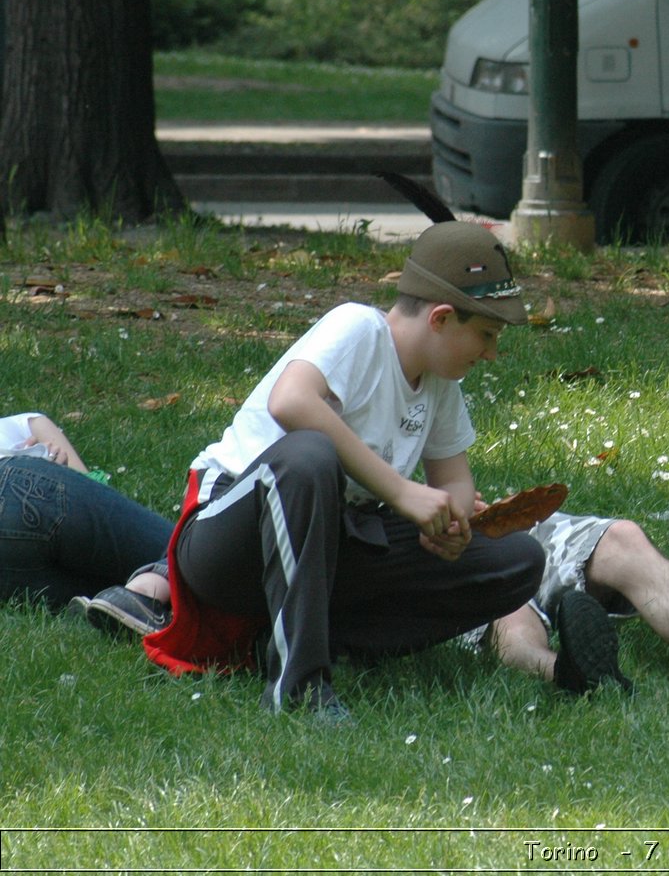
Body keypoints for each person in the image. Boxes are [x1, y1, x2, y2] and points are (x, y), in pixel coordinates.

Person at [143, 222, 549, 722]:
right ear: (442, 318)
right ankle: (299, 688)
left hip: (332, 542)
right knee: (309, 456)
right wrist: (403, 492)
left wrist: (453, 523)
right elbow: (290, 401)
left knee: (517, 559)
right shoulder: (359, 327)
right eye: (486, 334)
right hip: (227, 538)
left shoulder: (441, 383)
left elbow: (454, 480)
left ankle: (319, 638)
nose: (491, 352)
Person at [483, 513, 669, 694]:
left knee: (621, 538)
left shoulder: (443, 398)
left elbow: (455, 480)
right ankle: (571, 673)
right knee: (506, 609)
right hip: (450, 562)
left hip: (492, 527)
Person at [0, 411, 173, 635]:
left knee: (120, 591)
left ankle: (131, 601)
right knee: (184, 552)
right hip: (26, 489)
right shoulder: (26, 423)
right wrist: (57, 465)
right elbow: (88, 483)